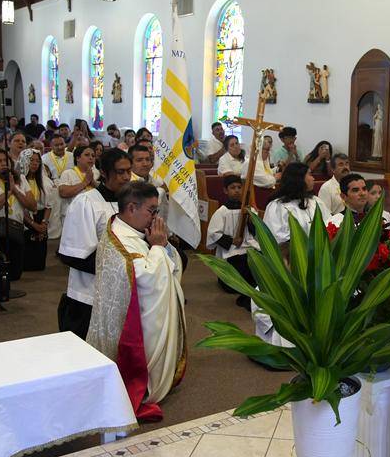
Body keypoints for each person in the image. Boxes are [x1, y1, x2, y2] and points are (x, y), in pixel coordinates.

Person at [87, 181, 186, 419]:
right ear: (131, 208)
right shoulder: (121, 240)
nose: (155, 218)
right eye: (152, 211)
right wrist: (159, 247)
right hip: (132, 324)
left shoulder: (127, 229)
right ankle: (139, 383)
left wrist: (160, 246)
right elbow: (146, 278)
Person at [57, 149, 132, 339]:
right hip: (89, 295)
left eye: (128, 171)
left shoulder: (131, 202)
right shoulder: (86, 202)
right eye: (120, 172)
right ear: (104, 173)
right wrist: (123, 268)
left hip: (123, 292)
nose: (126, 177)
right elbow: (72, 254)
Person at [0, 148, 36, 286]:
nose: (4, 164)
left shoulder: (20, 179)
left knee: (15, 272)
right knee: (1, 269)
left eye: (6, 161)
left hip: (17, 228)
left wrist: (14, 189)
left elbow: (32, 206)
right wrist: (8, 192)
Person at [205, 175, 257, 309]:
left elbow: (257, 232)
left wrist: (251, 220)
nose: (237, 190)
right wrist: (232, 240)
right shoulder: (222, 212)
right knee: (240, 263)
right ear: (225, 190)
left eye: (239, 187)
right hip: (231, 250)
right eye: (233, 188)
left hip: (248, 246)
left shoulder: (249, 210)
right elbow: (213, 234)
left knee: (257, 259)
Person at [263, 162, 331, 245]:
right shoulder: (277, 207)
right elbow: (275, 238)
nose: (313, 178)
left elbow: (329, 224)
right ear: (299, 178)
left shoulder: (315, 201)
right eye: (309, 174)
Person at [17, 149, 52, 272]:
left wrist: (44, 223)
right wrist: (33, 224)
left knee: (39, 265)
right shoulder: (19, 181)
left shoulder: (45, 181)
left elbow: (49, 205)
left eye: (38, 161)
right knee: (26, 263)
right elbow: (19, 207)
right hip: (24, 220)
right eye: (31, 160)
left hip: (41, 219)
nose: (35, 163)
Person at [56, 146, 100, 239]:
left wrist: (94, 183)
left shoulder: (97, 173)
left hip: (93, 216)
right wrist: (85, 182)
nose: (91, 158)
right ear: (78, 158)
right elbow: (63, 192)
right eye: (87, 155)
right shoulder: (68, 173)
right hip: (73, 218)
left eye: (93, 155)